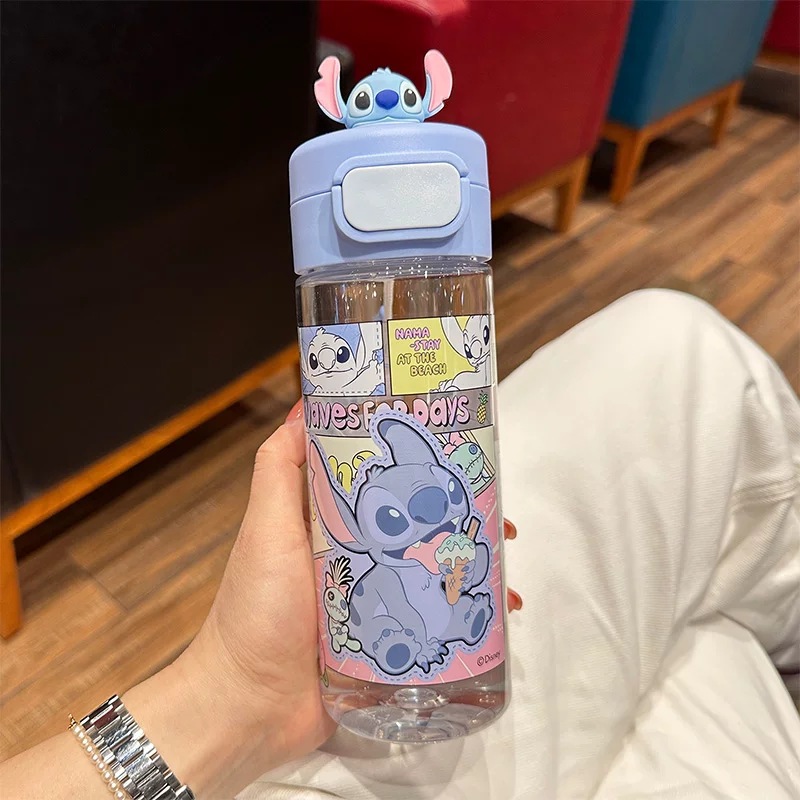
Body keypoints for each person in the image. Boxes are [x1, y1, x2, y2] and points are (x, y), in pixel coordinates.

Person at [3, 290, 799, 799]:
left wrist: (235, 691)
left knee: (710, 646)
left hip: (324, 703)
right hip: (384, 687)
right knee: (680, 349)